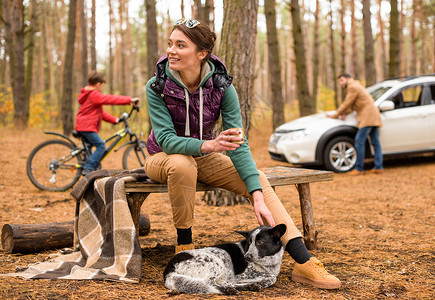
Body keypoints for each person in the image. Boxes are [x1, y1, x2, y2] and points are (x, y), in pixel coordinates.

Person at [144, 18, 341, 290]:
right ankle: (184, 245)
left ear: (202, 54)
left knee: (257, 178)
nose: (171, 51)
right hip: (161, 158)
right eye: (170, 44)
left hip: (204, 157)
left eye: (180, 45)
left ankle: (304, 260)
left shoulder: (223, 86)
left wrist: (256, 195)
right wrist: (209, 145)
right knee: (181, 164)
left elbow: (238, 142)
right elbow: (166, 140)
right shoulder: (157, 86)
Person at [75, 71, 140, 175]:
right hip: (86, 127)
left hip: (83, 126)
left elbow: (100, 113)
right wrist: (129, 100)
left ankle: (89, 169)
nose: (102, 88)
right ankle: (88, 168)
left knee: (91, 150)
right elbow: (110, 99)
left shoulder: (89, 95)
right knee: (101, 146)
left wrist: (115, 120)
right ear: (98, 84)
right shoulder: (94, 94)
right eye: (102, 85)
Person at [328, 73, 383, 175]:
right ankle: (378, 166)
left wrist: (336, 114)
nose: (341, 83)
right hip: (373, 115)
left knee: (359, 141)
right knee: (375, 142)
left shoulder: (352, 87)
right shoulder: (356, 85)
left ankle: (359, 168)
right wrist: (344, 112)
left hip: (367, 116)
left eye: (342, 80)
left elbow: (347, 103)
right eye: (339, 81)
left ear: (348, 78)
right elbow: (354, 105)